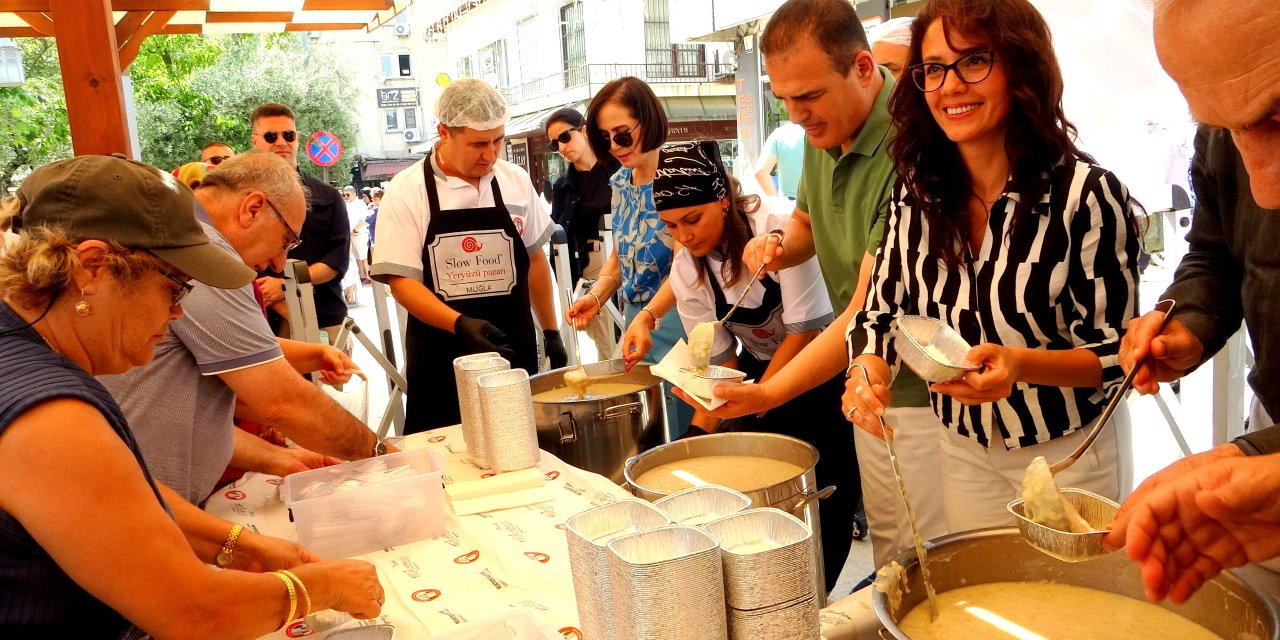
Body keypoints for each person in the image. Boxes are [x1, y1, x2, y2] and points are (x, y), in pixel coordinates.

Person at [0, 154, 382, 636]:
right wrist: (319, 588)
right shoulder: (48, 413)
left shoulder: (24, 353)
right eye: (175, 288)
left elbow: (124, 494)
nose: (179, 314)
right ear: (92, 269)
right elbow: (195, 611)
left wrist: (241, 545)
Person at [845, 0, 1142, 530]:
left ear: (1021, 69)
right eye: (933, 69)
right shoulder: (915, 197)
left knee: (1066, 604)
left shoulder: (1086, 195)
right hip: (962, 444)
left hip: (1068, 449)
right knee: (983, 603)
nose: (950, 85)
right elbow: (877, 314)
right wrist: (865, 374)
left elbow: (1119, 354)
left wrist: (1020, 365)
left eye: (974, 61)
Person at [693, 0, 944, 569]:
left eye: (808, 96)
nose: (796, 114)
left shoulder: (913, 146)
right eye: (782, 97)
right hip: (861, 383)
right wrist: (777, 247)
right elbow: (809, 221)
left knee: (936, 563)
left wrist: (769, 393)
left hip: (924, 395)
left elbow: (866, 304)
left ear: (861, 68)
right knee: (893, 557)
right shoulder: (819, 133)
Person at [1103, 0, 1280, 604]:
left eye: (1278, 116)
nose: (1264, 186)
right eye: (1225, 128)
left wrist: (1265, 462)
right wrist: (1189, 322)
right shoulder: (1230, 129)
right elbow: (1214, 253)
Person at [98, 152, 382, 506]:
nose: (281, 263)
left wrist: (276, 457)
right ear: (252, 208)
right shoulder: (202, 248)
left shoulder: (183, 229)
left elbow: (190, 399)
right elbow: (280, 402)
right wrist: (382, 455)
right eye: (286, 242)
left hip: (155, 502)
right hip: (135, 507)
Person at [650, 140, 856, 590]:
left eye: (693, 219)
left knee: (824, 497)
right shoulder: (687, 269)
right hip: (761, 372)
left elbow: (805, 333)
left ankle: (815, 598)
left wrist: (762, 400)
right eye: (670, 226)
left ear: (723, 200)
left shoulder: (778, 231)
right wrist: (699, 431)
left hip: (824, 370)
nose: (683, 236)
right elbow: (721, 362)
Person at [372, 78, 567, 433]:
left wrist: (551, 330)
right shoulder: (407, 190)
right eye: (478, 144)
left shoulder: (515, 180)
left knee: (519, 446)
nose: (490, 154)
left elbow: (536, 262)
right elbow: (401, 283)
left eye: (498, 141)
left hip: (513, 350)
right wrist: (459, 324)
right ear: (443, 132)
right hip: (441, 354)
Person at [565, 76, 694, 436]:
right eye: (605, 139)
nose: (616, 146)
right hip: (637, 322)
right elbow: (620, 258)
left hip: (680, 321)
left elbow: (686, 268)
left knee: (678, 433)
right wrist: (595, 296)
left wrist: (650, 316)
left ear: (648, 121)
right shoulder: (621, 181)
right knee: (641, 432)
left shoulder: (680, 174)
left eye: (622, 134)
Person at [249, 103, 351, 344]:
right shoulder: (242, 197)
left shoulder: (328, 196)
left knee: (329, 382)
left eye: (288, 135)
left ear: (297, 138)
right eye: (271, 136)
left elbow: (336, 261)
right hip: (260, 324)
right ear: (255, 141)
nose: (281, 142)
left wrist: (286, 286)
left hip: (324, 317)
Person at [546, 107, 621, 285]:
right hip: (588, 267)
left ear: (584, 130)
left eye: (565, 136)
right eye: (555, 144)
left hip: (626, 258)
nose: (562, 147)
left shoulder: (620, 171)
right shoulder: (562, 187)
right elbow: (557, 238)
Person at [754, 117, 806, 199]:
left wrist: (778, 203)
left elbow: (760, 172)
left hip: (789, 204)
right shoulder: (821, 133)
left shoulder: (780, 134)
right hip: (820, 204)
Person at [341, 185, 372, 291]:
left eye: (347, 194)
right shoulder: (347, 204)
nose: (345, 196)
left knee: (363, 256)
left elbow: (364, 218)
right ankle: (362, 275)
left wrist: (356, 229)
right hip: (350, 233)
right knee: (356, 256)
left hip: (360, 232)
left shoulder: (360, 204)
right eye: (344, 195)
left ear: (354, 193)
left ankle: (368, 275)